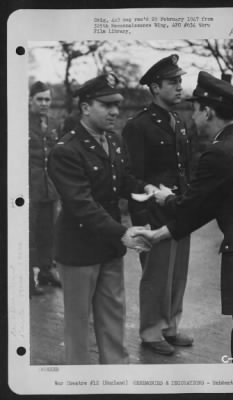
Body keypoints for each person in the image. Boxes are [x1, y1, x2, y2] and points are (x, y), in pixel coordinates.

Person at [136, 71, 233, 362]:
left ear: (208, 112)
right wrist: (157, 235)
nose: (192, 118)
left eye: (195, 111)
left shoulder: (218, 153)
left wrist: (163, 196)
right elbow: (204, 210)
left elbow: (188, 208)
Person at [48, 73, 155, 365]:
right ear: (85, 107)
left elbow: (121, 181)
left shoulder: (114, 141)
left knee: (113, 316)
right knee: (79, 326)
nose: (115, 112)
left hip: (109, 246)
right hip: (80, 249)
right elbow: (81, 203)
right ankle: (79, 382)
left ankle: (115, 376)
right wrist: (122, 232)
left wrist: (145, 188)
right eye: (106, 105)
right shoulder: (66, 151)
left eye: (116, 105)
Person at [122, 54, 193, 355]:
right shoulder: (139, 126)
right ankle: (151, 332)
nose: (179, 87)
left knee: (177, 272)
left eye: (180, 81)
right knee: (156, 276)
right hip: (154, 212)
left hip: (179, 208)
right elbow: (131, 175)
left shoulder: (179, 120)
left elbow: (187, 167)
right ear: (155, 87)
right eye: (172, 82)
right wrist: (141, 221)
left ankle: (170, 326)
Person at [29, 81, 62, 296]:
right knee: (30, 233)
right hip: (29, 188)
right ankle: (27, 280)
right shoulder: (19, 122)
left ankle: (46, 271)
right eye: (39, 99)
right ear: (30, 100)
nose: (44, 103)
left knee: (49, 232)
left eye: (47, 99)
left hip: (50, 187)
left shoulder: (53, 124)